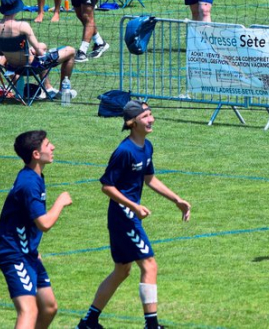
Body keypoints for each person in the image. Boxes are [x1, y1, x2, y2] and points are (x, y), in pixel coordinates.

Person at [77, 101, 192, 329]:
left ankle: (89, 322)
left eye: (151, 115)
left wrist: (177, 200)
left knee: (122, 270)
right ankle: (152, 325)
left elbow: (149, 179)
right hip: (124, 216)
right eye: (146, 116)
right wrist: (134, 206)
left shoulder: (146, 147)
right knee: (149, 265)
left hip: (128, 214)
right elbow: (107, 186)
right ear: (132, 122)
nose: (151, 119)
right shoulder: (124, 152)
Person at [0, 130, 73, 329]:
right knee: (28, 310)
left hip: (28, 253)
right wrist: (60, 202)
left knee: (48, 307)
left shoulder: (34, 177)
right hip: (15, 255)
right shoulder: (29, 183)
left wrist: (32, 248)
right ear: (36, 155)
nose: (53, 147)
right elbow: (44, 223)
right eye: (48, 145)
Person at [0, 0, 78, 99]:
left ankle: (48, 88)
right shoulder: (23, 26)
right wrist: (38, 51)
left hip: (12, 66)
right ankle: (62, 92)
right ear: (16, 9)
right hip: (31, 66)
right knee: (71, 51)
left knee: (42, 46)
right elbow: (40, 52)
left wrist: (35, 49)